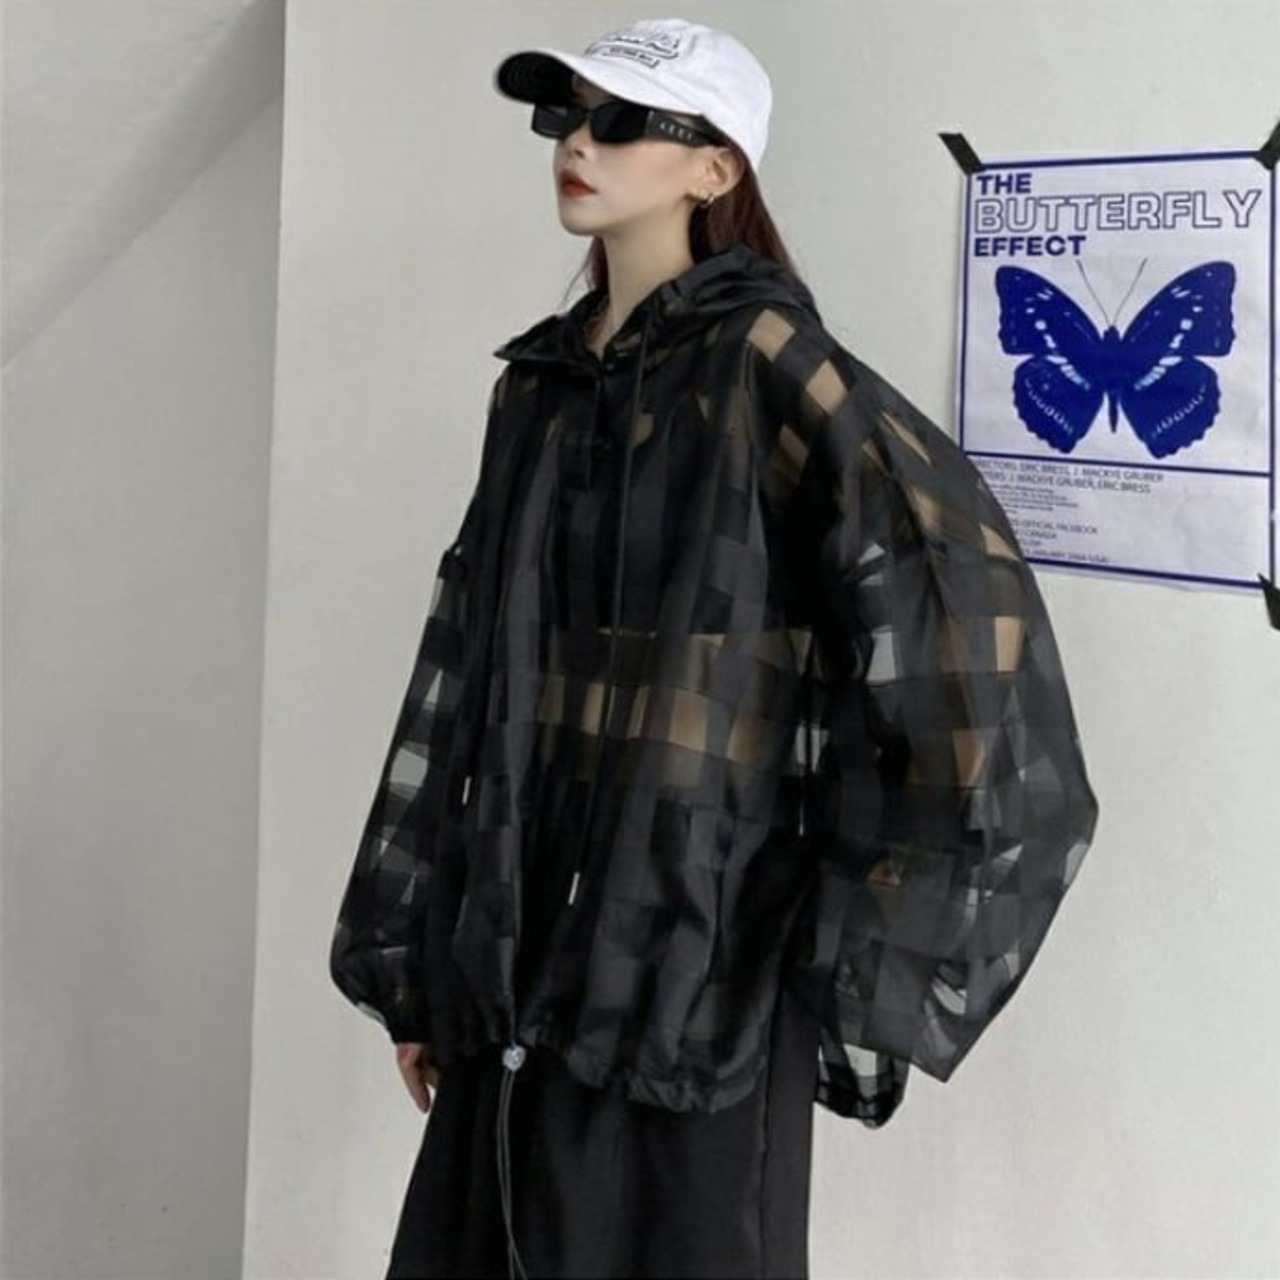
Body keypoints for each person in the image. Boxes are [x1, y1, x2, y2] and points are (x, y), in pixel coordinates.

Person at [329, 17, 1098, 1280]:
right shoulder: (537, 389)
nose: (580, 142)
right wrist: (423, 955)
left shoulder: (767, 367)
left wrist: (850, 928)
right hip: (513, 950)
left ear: (714, 167)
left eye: (623, 120)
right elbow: (466, 669)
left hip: (694, 967)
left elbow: (957, 613)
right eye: (567, 115)